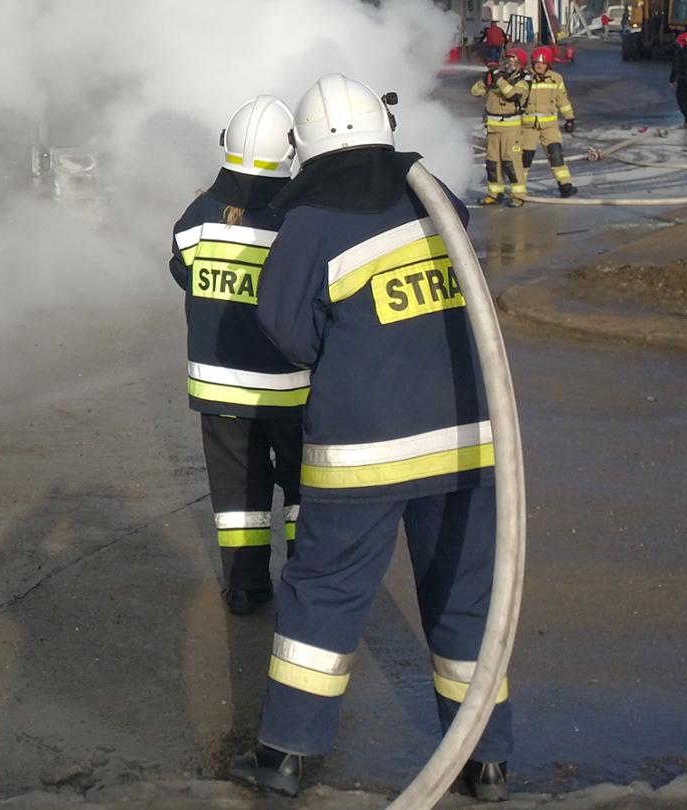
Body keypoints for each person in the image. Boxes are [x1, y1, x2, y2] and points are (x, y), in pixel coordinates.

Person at [225, 74, 512, 802]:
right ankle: (485, 761)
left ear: (308, 147)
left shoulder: (312, 222)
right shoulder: (435, 197)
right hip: (469, 439)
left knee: (324, 594)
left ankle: (286, 756)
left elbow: (288, 332)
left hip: (363, 454)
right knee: (466, 596)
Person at [168, 96, 306, 616]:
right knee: (302, 486)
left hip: (219, 387)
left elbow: (181, 268)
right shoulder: (297, 218)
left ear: (227, 145)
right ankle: (305, 582)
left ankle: (246, 588)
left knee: (237, 492)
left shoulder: (199, 214)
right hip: (290, 388)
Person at [519, 46, 579, 198]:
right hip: (528, 127)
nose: (539, 65)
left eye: (543, 63)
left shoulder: (556, 79)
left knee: (556, 156)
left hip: (549, 127)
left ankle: (565, 185)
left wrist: (570, 118)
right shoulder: (525, 79)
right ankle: (518, 189)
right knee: (524, 159)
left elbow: (562, 100)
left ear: (549, 64)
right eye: (536, 62)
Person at [470, 48, 527, 206]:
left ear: (520, 65)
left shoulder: (523, 82)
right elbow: (475, 92)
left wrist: (498, 79)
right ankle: (494, 194)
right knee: (492, 164)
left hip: (511, 131)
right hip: (493, 130)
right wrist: (485, 79)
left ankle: (518, 196)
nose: (507, 65)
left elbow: (512, 95)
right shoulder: (497, 79)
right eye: (506, 61)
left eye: (512, 62)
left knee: (512, 164)